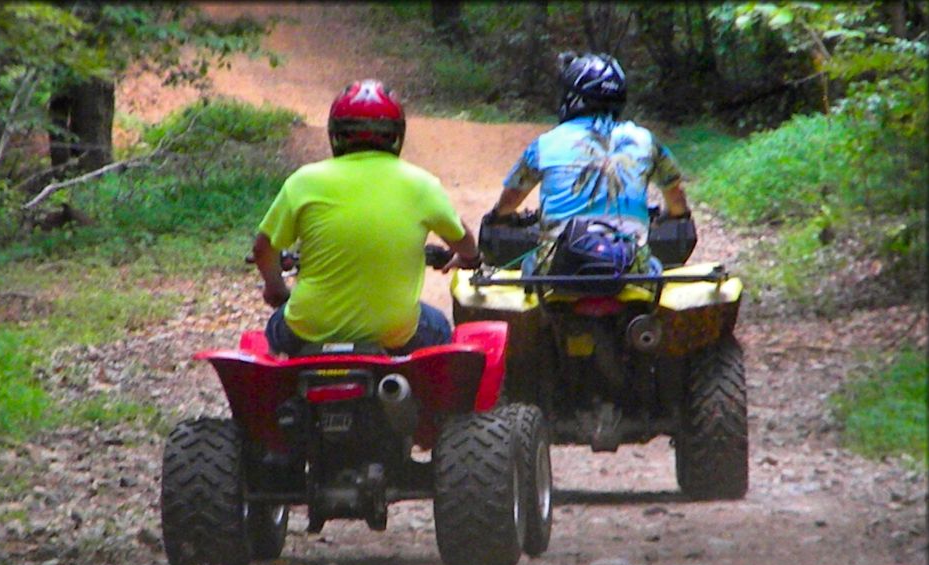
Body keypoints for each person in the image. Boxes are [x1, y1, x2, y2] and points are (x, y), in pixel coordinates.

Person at [252, 79, 479, 356]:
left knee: (277, 327)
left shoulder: (303, 181)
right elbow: (465, 243)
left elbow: (263, 248)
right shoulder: (422, 184)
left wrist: (276, 290)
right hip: (393, 334)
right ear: (397, 135)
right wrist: (468, 258)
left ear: (335, 133)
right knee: (439, 326)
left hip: (309, 328)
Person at [485, 52, 690, 274]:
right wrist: (673, 215)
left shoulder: (545, 144)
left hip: (559, 268)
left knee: (528, 264)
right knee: (654, 267)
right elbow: (677, 200)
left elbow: (509, 201)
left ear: (572, 97)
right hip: (628, 266)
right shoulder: (646, 141)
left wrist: (499, 217)